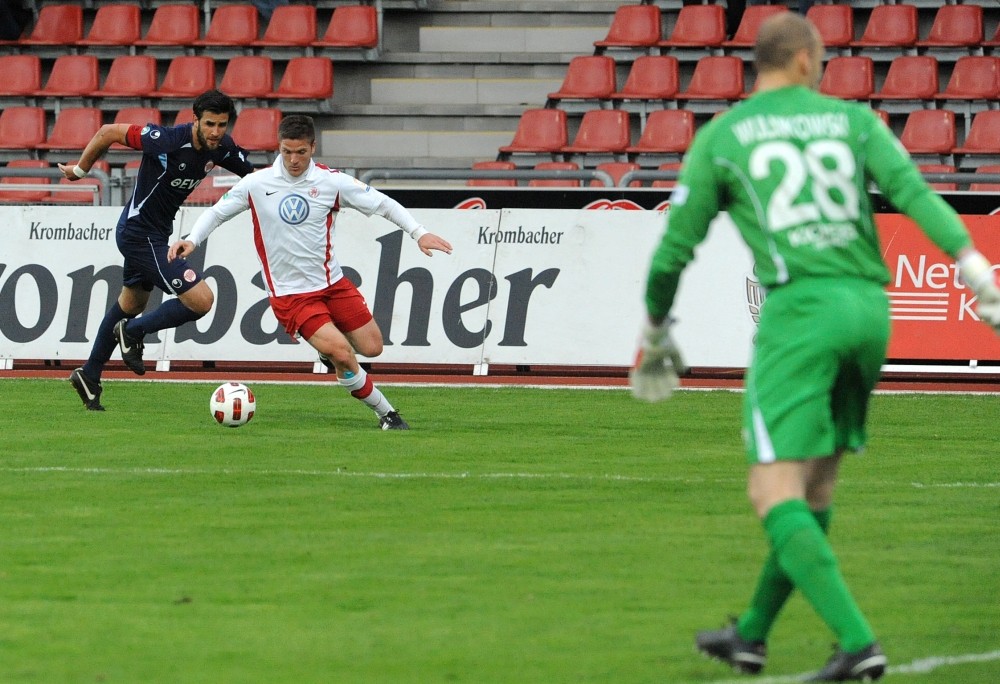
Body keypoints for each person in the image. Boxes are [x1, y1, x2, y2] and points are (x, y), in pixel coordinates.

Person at [631, 13, 1000, 682]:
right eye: (823, 58)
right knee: (816, 486)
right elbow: (913, 193)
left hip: (799, 312)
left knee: (771, 490)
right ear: (803, 61)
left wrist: (655, 332)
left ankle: (858, 643)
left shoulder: (725, 136)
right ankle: (751, 635)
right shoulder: (852, 122)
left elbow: (672, 254)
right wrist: (974, 270)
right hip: (868, 309)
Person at [167, 114, 453, 430]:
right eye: (286, 151)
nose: (293, 159)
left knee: (372, 347)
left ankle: (327, 354)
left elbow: (382, 203)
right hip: (290, 295)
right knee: (344, 354)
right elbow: (218, 212)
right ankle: (388, 414)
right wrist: (192, 239)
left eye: (300, 152)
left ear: (312, 147)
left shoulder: (331, 182)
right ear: (279, 147)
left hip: (333, 284)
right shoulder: (257, 184)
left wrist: (418, 232)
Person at [61, 90, 256, 411]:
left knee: (131, 302)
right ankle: (133, 332)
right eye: (209, 123)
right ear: (195, 120)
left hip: (156, 238)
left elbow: (255, 178)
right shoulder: (165, 139)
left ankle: (89, 374)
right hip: (139, 235)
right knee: (201, 300)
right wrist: (80, 171)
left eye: (222, 125)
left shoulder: (221, 148)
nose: (215, 131)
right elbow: (108, 131)